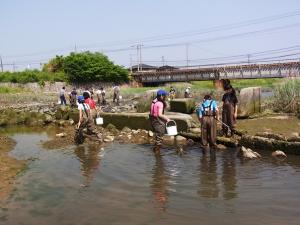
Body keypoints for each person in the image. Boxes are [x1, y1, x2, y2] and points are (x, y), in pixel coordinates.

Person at [149, 89, 170, 154]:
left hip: (153, 120)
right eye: (164, 95)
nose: (165, 97)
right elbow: (160, 114)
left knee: (157, 136)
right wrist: (167, 119)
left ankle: (156, 150)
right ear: (161, 96)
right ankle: (157, 154)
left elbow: (151, 112)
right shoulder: (160, 103)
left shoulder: (154, 101)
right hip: (158, 122)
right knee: (159, 138)